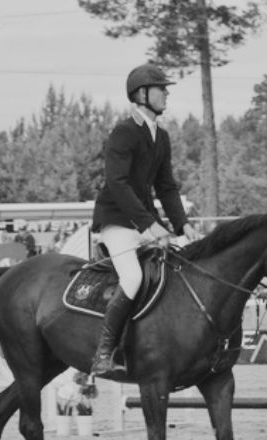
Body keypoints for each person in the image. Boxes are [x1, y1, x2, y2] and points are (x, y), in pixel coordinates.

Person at [88, 62, 203, 376]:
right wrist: (149, 224)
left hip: (144, 221)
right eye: (161, 89)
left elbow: (166, 187)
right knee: (133, 278)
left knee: (181, 266)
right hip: (117, 220)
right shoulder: (123, 132)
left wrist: (183, 225)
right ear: (142, 94)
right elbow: (117, 184)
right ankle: (103, 353)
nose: (166, 94)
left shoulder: (161, 136)